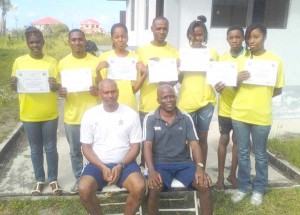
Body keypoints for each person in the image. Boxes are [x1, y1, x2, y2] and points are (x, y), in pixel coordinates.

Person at [230, 23, 285, 206]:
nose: (251, 40)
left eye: (256, 36)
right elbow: (233, 87)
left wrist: (262, 94)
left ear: (264, 37)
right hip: (239, 114)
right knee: (243, 153)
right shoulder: (241, 60)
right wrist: (237, 79)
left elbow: (277, 89)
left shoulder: (275, 60)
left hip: (262, 115)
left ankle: (259, 188)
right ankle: (244, 187)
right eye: (249, 37)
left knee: (261, 154)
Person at [143, 84, 213, 215]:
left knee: (204, 185)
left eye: (172, 97)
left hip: (184, 163)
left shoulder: (185, 118)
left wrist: (200, 167)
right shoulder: (150, 118)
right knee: (154, 188)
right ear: (158, 100)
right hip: (160, 164)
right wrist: (151, 170)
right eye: (164, 97)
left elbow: (195, 144)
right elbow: (147, 146)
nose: (169, 100)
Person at [78, 79, 145, 215]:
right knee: (84, 189)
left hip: (125, 164)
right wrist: (102, 167)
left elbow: (135, 147)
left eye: (113, 91)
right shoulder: (90, 115)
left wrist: (120, 165)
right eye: (106, 92)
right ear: (99, 94)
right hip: (97, 164)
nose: (110, 96)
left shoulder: (130, 115)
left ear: (118, 93)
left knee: (139, 187)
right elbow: (86, 148)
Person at [10, 27, 62, 196]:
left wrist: (55, 85)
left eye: (38, 41)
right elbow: (15, 87)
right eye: (31, 42)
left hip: (49, 113)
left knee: (51, 148)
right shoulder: (19, 62)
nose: (35, 45)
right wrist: (13, 84)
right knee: (35, 149)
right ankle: (39, 180)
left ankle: (53, 179)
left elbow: (59, 87)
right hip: (29, 113)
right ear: (27, 43)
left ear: (43, 42)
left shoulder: (52, 61)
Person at [58, 29, 99, 194]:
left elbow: (103, 85)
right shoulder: (62, 63)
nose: (77, 43)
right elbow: (60, 89)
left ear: (85, 41)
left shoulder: (95, 62)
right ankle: (78, 178)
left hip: (94, 116)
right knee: (75, 151)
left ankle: (95, 179)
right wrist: (60, 92)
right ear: (69, 42)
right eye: (73, 40)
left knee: (95, 149)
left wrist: (97, 90)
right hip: (72, 116)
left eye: (80, 39)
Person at [178, 15, 218, 167]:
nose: (197, 37)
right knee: (187, 138)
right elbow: (181, 79)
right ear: (189, 35)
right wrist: (180, 66)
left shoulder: (212, 53)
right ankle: (188, 169)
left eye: (200, 34)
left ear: (204, 35)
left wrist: (213, 67)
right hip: (187, 101)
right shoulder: (183, 52)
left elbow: (216, 78)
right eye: (194, 34)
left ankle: (201, 169)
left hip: (206, 101)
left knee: (202, 137)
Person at [214, 24, 246, 192]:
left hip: (243, 108)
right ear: (227, 39)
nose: (234, 40)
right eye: (231, 37)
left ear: (243, 38)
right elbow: (216, 80)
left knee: (238, 142)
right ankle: (220, 177)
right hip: (225, 108)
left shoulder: (249, 58)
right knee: (223, 140)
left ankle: (232, 174)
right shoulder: (222, 58)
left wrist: (239, 80)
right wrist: (216, 87)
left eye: (238, 37)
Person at [96, 23, 147, 111]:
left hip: (129, 104)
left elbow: (134, 89)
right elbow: (101, 85)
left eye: (123, 36)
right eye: (116, 37)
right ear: (112, 38)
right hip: (109, 105)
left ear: (127, 38)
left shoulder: (135, 58)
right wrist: (97, 71)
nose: (120, 39)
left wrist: (145, 74)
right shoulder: (104, 57)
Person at [137, 16, 179, 119]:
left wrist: (166, 83)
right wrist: (147, 69)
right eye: (158, 28)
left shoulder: (174, 51)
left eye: (165, 29)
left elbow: (176, 79)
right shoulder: (141, 51)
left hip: (167, 107)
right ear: (152, 29)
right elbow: (137, 79)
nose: (162, 31)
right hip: (147, 105)